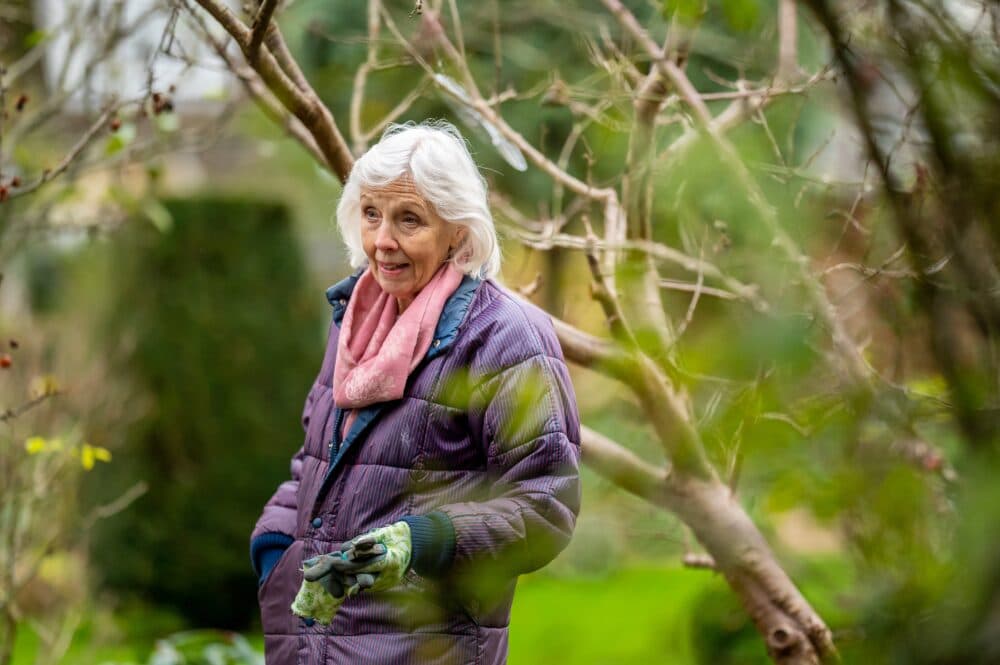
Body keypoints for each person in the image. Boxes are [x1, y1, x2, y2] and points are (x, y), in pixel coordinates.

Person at [249, 120, 581, 664]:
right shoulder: (355, 320)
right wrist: (275, 551)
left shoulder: (506, 337)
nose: (383, 241)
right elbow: (314, 462)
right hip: (310, 646)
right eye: (371, 214)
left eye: (409, 219)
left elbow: (547, 505)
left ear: (458, 230)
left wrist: (421, 542)